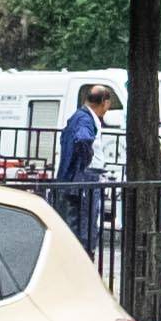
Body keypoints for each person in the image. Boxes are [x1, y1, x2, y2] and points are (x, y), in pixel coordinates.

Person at [50, 77, 117, 238]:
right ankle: (85, 255)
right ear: (104, 102)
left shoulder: (78, 117)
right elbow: (83, 139)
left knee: (76, 222)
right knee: (84, 224)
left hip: (74, 177)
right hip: (85, 177)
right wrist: (87, 161)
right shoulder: (85, 119)